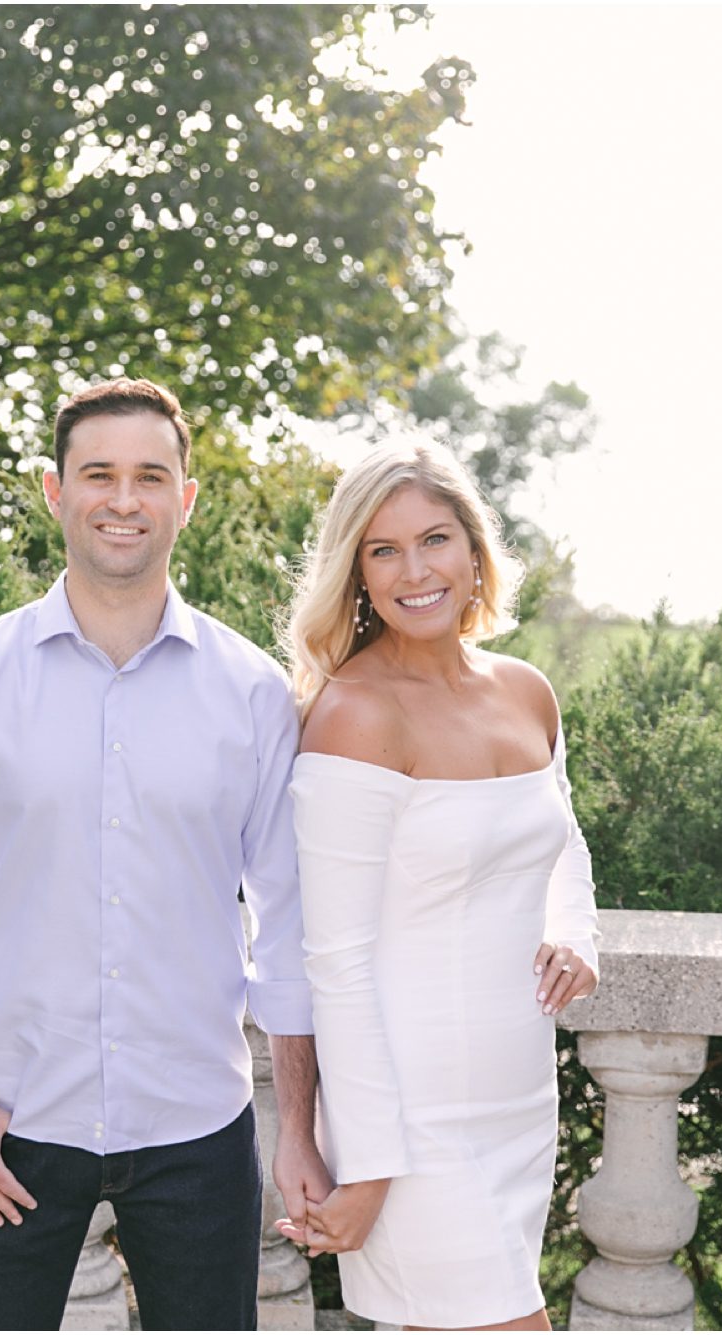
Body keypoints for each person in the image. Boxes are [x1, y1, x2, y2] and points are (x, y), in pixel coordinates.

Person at [0, 379, 331, 1331]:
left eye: (150, 475)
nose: (124, 498)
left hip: (197, 1126)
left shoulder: (250, 693)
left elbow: (289, 927)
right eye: (98, 474)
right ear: (53, 490)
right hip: (10, 1123)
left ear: (185, 498)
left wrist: (299, 1128)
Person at [273, 441, 601, 1332]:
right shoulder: (353, 717)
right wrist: (371, 1164)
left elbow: (557, 834)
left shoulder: (527, 693)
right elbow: (333, 961)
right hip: (411, 1121)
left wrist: (577, 934)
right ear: (356, 575)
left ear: (475, 550)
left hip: (519, 1097)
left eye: (435, 539)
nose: (415, 570)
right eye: (383, 550)